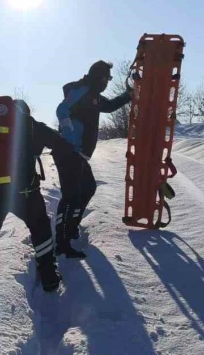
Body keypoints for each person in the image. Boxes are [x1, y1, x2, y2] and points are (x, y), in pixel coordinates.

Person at [0, 100, 74, 292]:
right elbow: (60, 144)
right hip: (24, 192)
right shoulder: (30, 124)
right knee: (40, 228)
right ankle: (49, 276)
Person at [54, 60, 132, 258]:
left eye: (109, 78)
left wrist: (129, 95)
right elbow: (61, 110)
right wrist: (70, 136)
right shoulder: (81, 90)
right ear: (98, 76)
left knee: (88, 188)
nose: (107, 82)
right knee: (71, 196)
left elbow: (111, 106)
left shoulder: (94, 96)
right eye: (106, 78)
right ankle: (61, 243)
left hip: (77, 154)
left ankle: (70, 228)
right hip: (69, 151)